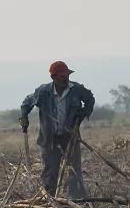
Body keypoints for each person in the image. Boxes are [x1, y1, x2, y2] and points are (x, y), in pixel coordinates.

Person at [19, 61, 95, 199]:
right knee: (50, 171)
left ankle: (77, 201)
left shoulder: (76, 89)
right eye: (62, 77)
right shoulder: (43, 92)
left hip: (70, 136)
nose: (66, 79)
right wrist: (24, 120)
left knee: (74, 170)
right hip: (49, 139)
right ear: (53, 78)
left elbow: (90, 99)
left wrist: (84, 113)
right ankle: (49, 201)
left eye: (67, 75)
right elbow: (26, 104)